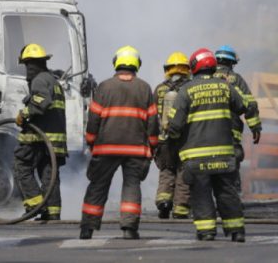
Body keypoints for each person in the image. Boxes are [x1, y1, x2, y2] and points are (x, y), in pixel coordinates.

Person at [168, 48, 259, 243]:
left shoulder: (186, 90)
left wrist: (173, 139)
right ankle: (237, 231)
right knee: (227, 191)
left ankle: (207, 231)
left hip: (197, 157)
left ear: (194, 67)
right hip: (225, 154)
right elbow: (245, 106)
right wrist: (255, 126)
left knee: (201, 193)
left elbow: (174, 125)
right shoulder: (226, 87)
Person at [79, 46, 158, 240]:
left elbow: (93, 119)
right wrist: (152, 146)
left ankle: (87, 228)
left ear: (117, 63)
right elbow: (153, 123)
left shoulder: (104, 87)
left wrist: (91, 142)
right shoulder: (144, 88)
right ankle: (129, 229)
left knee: (98, 185)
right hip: (136, 150)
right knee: (132, 186)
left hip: (106, 148)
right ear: (136, 64)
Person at [13, 43, 67, 222]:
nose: (27, 69)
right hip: (54, 140)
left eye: (27, 65)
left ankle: (34, 205)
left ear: (31, 64)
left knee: (22, 165)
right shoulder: (52, 80)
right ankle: (52, 212)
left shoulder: (39, 80)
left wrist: (24, 114)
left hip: (39, 138)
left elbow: (41, 102)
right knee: (48, 175)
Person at [213, 45, 262, 190]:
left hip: (203, 133)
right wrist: (255, 127)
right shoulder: (236, 79)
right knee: (231, 168)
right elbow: (250, 105)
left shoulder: (204, 78)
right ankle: (231, 201)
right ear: (232, 63)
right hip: (230, 133)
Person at [153, 52, 191, 219]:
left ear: (167, 69)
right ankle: (181, 208)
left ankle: (164, 202)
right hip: (185, 139)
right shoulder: (191, 87)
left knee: (166, 170)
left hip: (164, 140)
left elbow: (153, 115)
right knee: (183, 172)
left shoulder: (160, 89)